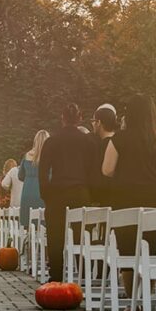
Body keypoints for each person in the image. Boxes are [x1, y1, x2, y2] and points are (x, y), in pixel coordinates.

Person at [102, 94, 156, 273]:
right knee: (150, 247)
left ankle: (131, 294)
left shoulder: (119, 139)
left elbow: (107, 169)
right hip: (153, 198)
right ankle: (147, 291)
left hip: (125, 197)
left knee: (127, 251)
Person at [39, 104, 99, 282]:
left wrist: (46, 194)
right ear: (80, 118)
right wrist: (92, 195)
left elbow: (43, 172)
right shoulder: (89, 141)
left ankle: (56, 275)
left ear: (62, 118)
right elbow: (93, 171)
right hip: (80, 193)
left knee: (55, 236)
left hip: (57, 193)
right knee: (82, 236)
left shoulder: (52, 141)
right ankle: (82, 275)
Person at [17, 129, 48, 232]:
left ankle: (28, 246)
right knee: (43, 224)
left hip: (27, 193)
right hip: (42, 193)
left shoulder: (27, 156)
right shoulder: (49, 157)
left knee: (27, 225)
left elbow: (20, 176)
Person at [90, 104, 117, 206]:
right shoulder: (119, 142)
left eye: (93, 121)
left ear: (99, 123)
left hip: (103, 200)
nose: (92, 124)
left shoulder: (100, 146)